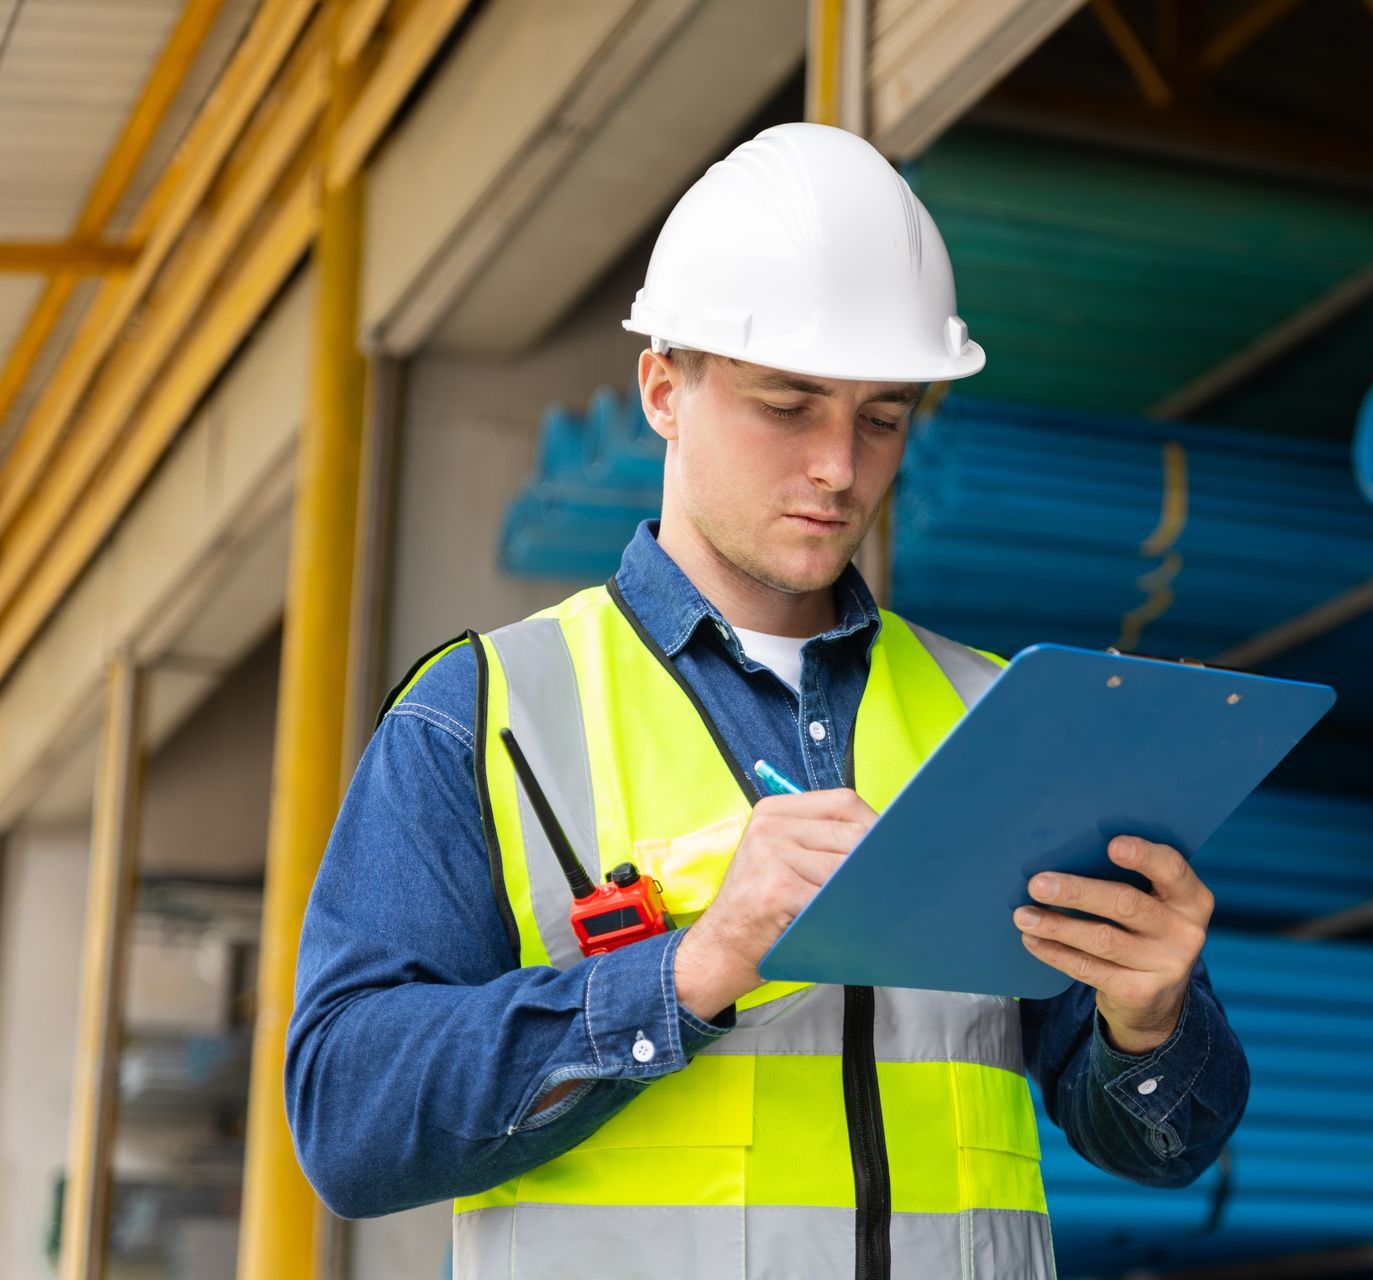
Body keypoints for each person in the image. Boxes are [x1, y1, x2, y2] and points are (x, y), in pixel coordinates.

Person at [288, 122, 1249, 1280]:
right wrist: (689, 969)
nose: (841, 465)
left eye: (883, 416)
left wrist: (1148, 1018)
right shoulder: (484, 717)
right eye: (788, 405)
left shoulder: (990, 714)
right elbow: (347, 1117)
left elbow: (1151, 1139)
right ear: (664, 388)